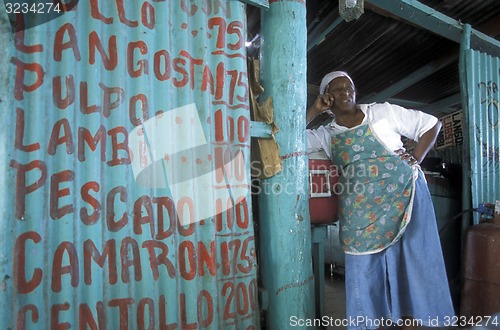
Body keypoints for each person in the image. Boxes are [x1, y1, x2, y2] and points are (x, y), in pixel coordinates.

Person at [306, 71, 455, 329]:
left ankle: (425, 322)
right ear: (326, 97)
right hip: (359, 211)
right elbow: (286, 139)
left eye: (350, 87)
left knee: (415, 262)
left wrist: (417, 157)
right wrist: (313, 111)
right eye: (338, 89)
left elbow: (431, 124)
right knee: (362, 269)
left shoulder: (382, 112)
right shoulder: (326, 134)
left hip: (404, 197)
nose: (346, 93)